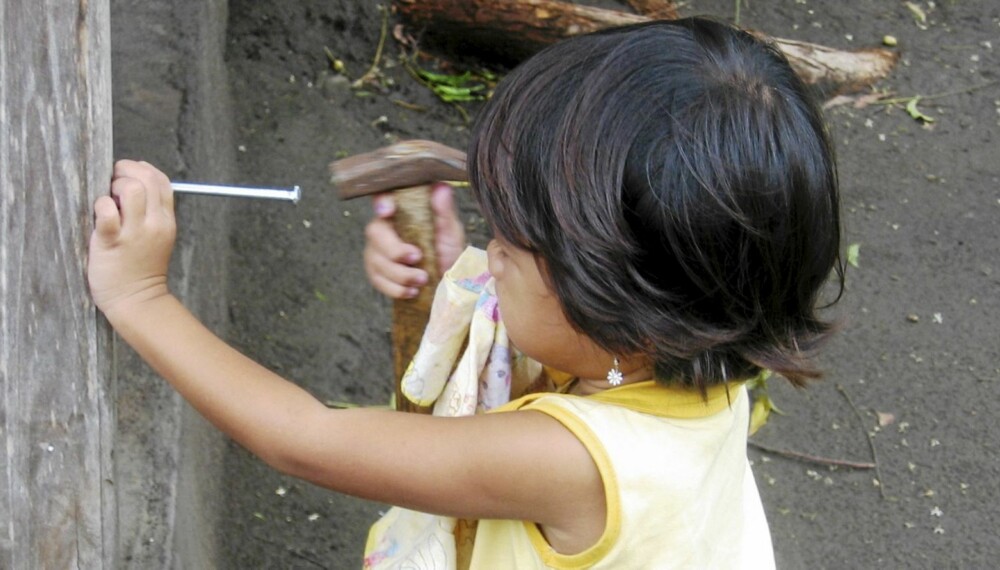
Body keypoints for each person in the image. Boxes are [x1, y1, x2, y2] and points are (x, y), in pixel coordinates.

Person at [89, 17, 843, 568]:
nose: (492, 249)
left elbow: (305, 440)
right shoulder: (714, 333)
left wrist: (141, 297)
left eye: (514, 244)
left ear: (628, 313)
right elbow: (563, 356)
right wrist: (462, 287)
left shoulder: (571, 463)